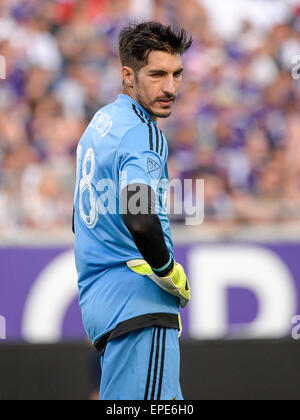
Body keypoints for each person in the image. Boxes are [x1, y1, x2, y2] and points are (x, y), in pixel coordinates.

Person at [73, 21, 192, 400]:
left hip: (105, 309)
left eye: (176, 74)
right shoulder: (141, 133)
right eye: (156, 74)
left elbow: (76, 220)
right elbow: (139, 216)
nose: (170, 87)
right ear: (128, 75)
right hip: (139, 305)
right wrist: (166, 271)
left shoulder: (100, 124)